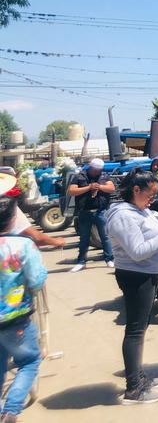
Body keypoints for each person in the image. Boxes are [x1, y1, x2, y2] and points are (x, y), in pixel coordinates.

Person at [105, 169, 158, 405]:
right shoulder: (123, 216)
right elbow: (138, 252)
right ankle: (133, 389)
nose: (152, 198)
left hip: (146, 274)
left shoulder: (138, 210)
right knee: (135, 330)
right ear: (136, 190)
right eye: (149, 193)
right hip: (136, 275)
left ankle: (138, 376)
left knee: (140, 327)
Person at [0, 170, 48, 423]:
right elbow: (36, 279)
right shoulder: (22, 246)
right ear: (11, 218)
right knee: (29, 361)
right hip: (16, 316)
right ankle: (11, 410)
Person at [68, 157, 116, 272]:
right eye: (95, 170)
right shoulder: (80, 176)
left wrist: (99, 187)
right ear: (91, 167)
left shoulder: (104, 176)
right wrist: (89, 187)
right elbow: (71, 191)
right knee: (84, 237)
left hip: (100, 211)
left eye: (99, 170)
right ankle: (81, 261)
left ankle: (109, 259)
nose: (97, 172)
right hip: (85, 212)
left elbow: (112, 188)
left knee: (105, 236)